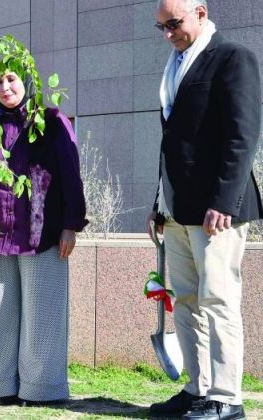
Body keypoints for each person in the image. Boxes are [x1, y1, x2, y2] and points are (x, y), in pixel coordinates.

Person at [147, 1, 262, 418]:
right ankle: (198, 390)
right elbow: (172, 144)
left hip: (218, 211)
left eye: (173, 24)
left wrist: (223, 202)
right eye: (160, 26)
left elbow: (242, 135)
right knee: (187, 301)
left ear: (200, 11)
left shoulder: (232, 58)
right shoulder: (176, 64)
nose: (167, 34)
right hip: (178, 210)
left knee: (218, 300)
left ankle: (227, 400)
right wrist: (158, 204)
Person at [0, 66, 87, 406]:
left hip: (44, 234)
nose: (5, 87)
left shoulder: (51, 121)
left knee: (43, 315)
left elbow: (70, 173)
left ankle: (42, 391)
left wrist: (71, 224)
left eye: (12, 79)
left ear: (27, 81)